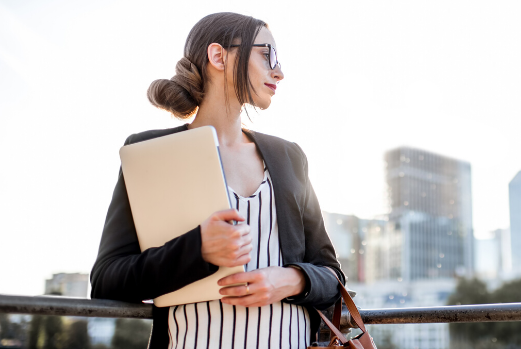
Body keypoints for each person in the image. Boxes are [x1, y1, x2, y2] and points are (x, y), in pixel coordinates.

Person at [90, 12, 344, 349]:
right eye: (266, 54)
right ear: (218, 56)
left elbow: (332, 276)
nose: (279, 71)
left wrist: (292, 279)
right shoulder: (151, 152)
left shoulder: (289, 157)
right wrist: (199, 248)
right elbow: (107, 280)